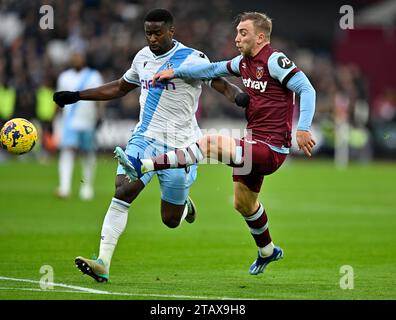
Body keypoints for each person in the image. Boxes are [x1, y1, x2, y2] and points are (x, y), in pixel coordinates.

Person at [114, 12, 316, 275]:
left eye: (243, 33)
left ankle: (144, 166)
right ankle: (267, 251)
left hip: (271, 148)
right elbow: (210, 69)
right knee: (243, 204)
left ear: (261, 37)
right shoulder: (243, 62)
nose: (237, 38)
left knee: (209, 143)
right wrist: (174, 71)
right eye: (237, 33)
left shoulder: (274, 60)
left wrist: (303, 128)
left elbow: (307, 89)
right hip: (253, 142)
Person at [53, 8, 247, 282]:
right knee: (123, 189)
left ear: (171, 31)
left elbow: (220, 82)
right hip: (144, 137)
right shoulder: (142, 58)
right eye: (148, 33)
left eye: (158, 33)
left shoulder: (191, 58)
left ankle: (184, 206)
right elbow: (121, 87)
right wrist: (77, 95)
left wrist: (240, 99)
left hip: (180, 145)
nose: (152, 38)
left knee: (170, 220)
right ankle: (103, 262)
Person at [55, 50, 104, 200]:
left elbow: (100, 98)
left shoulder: (94, 76)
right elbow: (58, 99)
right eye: (74, 55)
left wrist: (99, 116)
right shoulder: (64, 76)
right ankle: (64, 187)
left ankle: (87, 187)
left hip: (88, 121)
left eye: (79, 55)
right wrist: (55, 118)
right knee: (67, 151)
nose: (76, 58)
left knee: (87, 153)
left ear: (84, 58)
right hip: (69, 122)